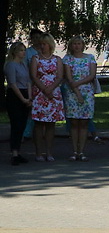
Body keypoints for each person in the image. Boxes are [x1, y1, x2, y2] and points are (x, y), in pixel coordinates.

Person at [29, 33, 65, 162]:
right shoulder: (35, 58)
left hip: (54, 93)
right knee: (39, 124)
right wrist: (44, 89)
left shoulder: (57, 59)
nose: (42, 46)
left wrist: (51, 89)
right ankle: (39, 152)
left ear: (50, 45)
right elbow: (34, 76)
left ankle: (49, 152)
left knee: (51, 124)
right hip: (40, 93)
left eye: (44, 44)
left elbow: (59, 76)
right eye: (40, 44)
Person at [62, 36, 97, 162]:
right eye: (74, 44)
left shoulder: (90, 58)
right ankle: (74, 150)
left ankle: (81, 151)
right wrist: (77, 91)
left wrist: (80, 83)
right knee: (74, 122)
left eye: (79, 43)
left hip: (87, 91)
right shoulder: (67, 59)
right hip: (72, 92)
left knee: (84, 122)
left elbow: (92, 75)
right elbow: (68, 77)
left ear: (83, 45)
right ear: (71, 46)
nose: (77, 46)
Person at [4, 42, 32, 165]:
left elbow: (28, 82)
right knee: (16, 124)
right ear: (15, 52)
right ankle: (14, 153)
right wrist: (22, 99)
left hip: (25, 93)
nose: (23, 53)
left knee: (22, 125)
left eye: (24, 50)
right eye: (21, 50)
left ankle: (18, 151)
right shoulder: (11, 65)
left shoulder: (24, 64)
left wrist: (29, 97)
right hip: (15, 96)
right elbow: (12, 84)